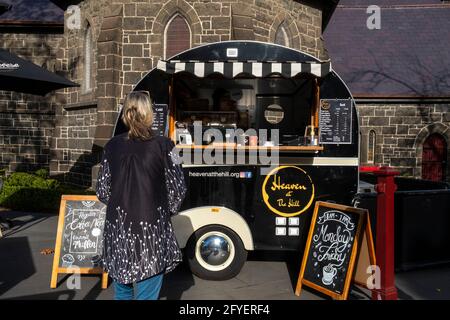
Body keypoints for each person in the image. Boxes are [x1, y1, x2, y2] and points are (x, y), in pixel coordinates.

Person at [96, 91, 187, 300]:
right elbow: (178, 189)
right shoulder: (167, 145)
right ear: (149, 113)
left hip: (118, 229)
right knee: (147, 295)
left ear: (125, 113)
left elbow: (102, 190)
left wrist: (121, 201)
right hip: (150, 231)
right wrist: (163, 210)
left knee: (122, 291)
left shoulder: (111, 146)